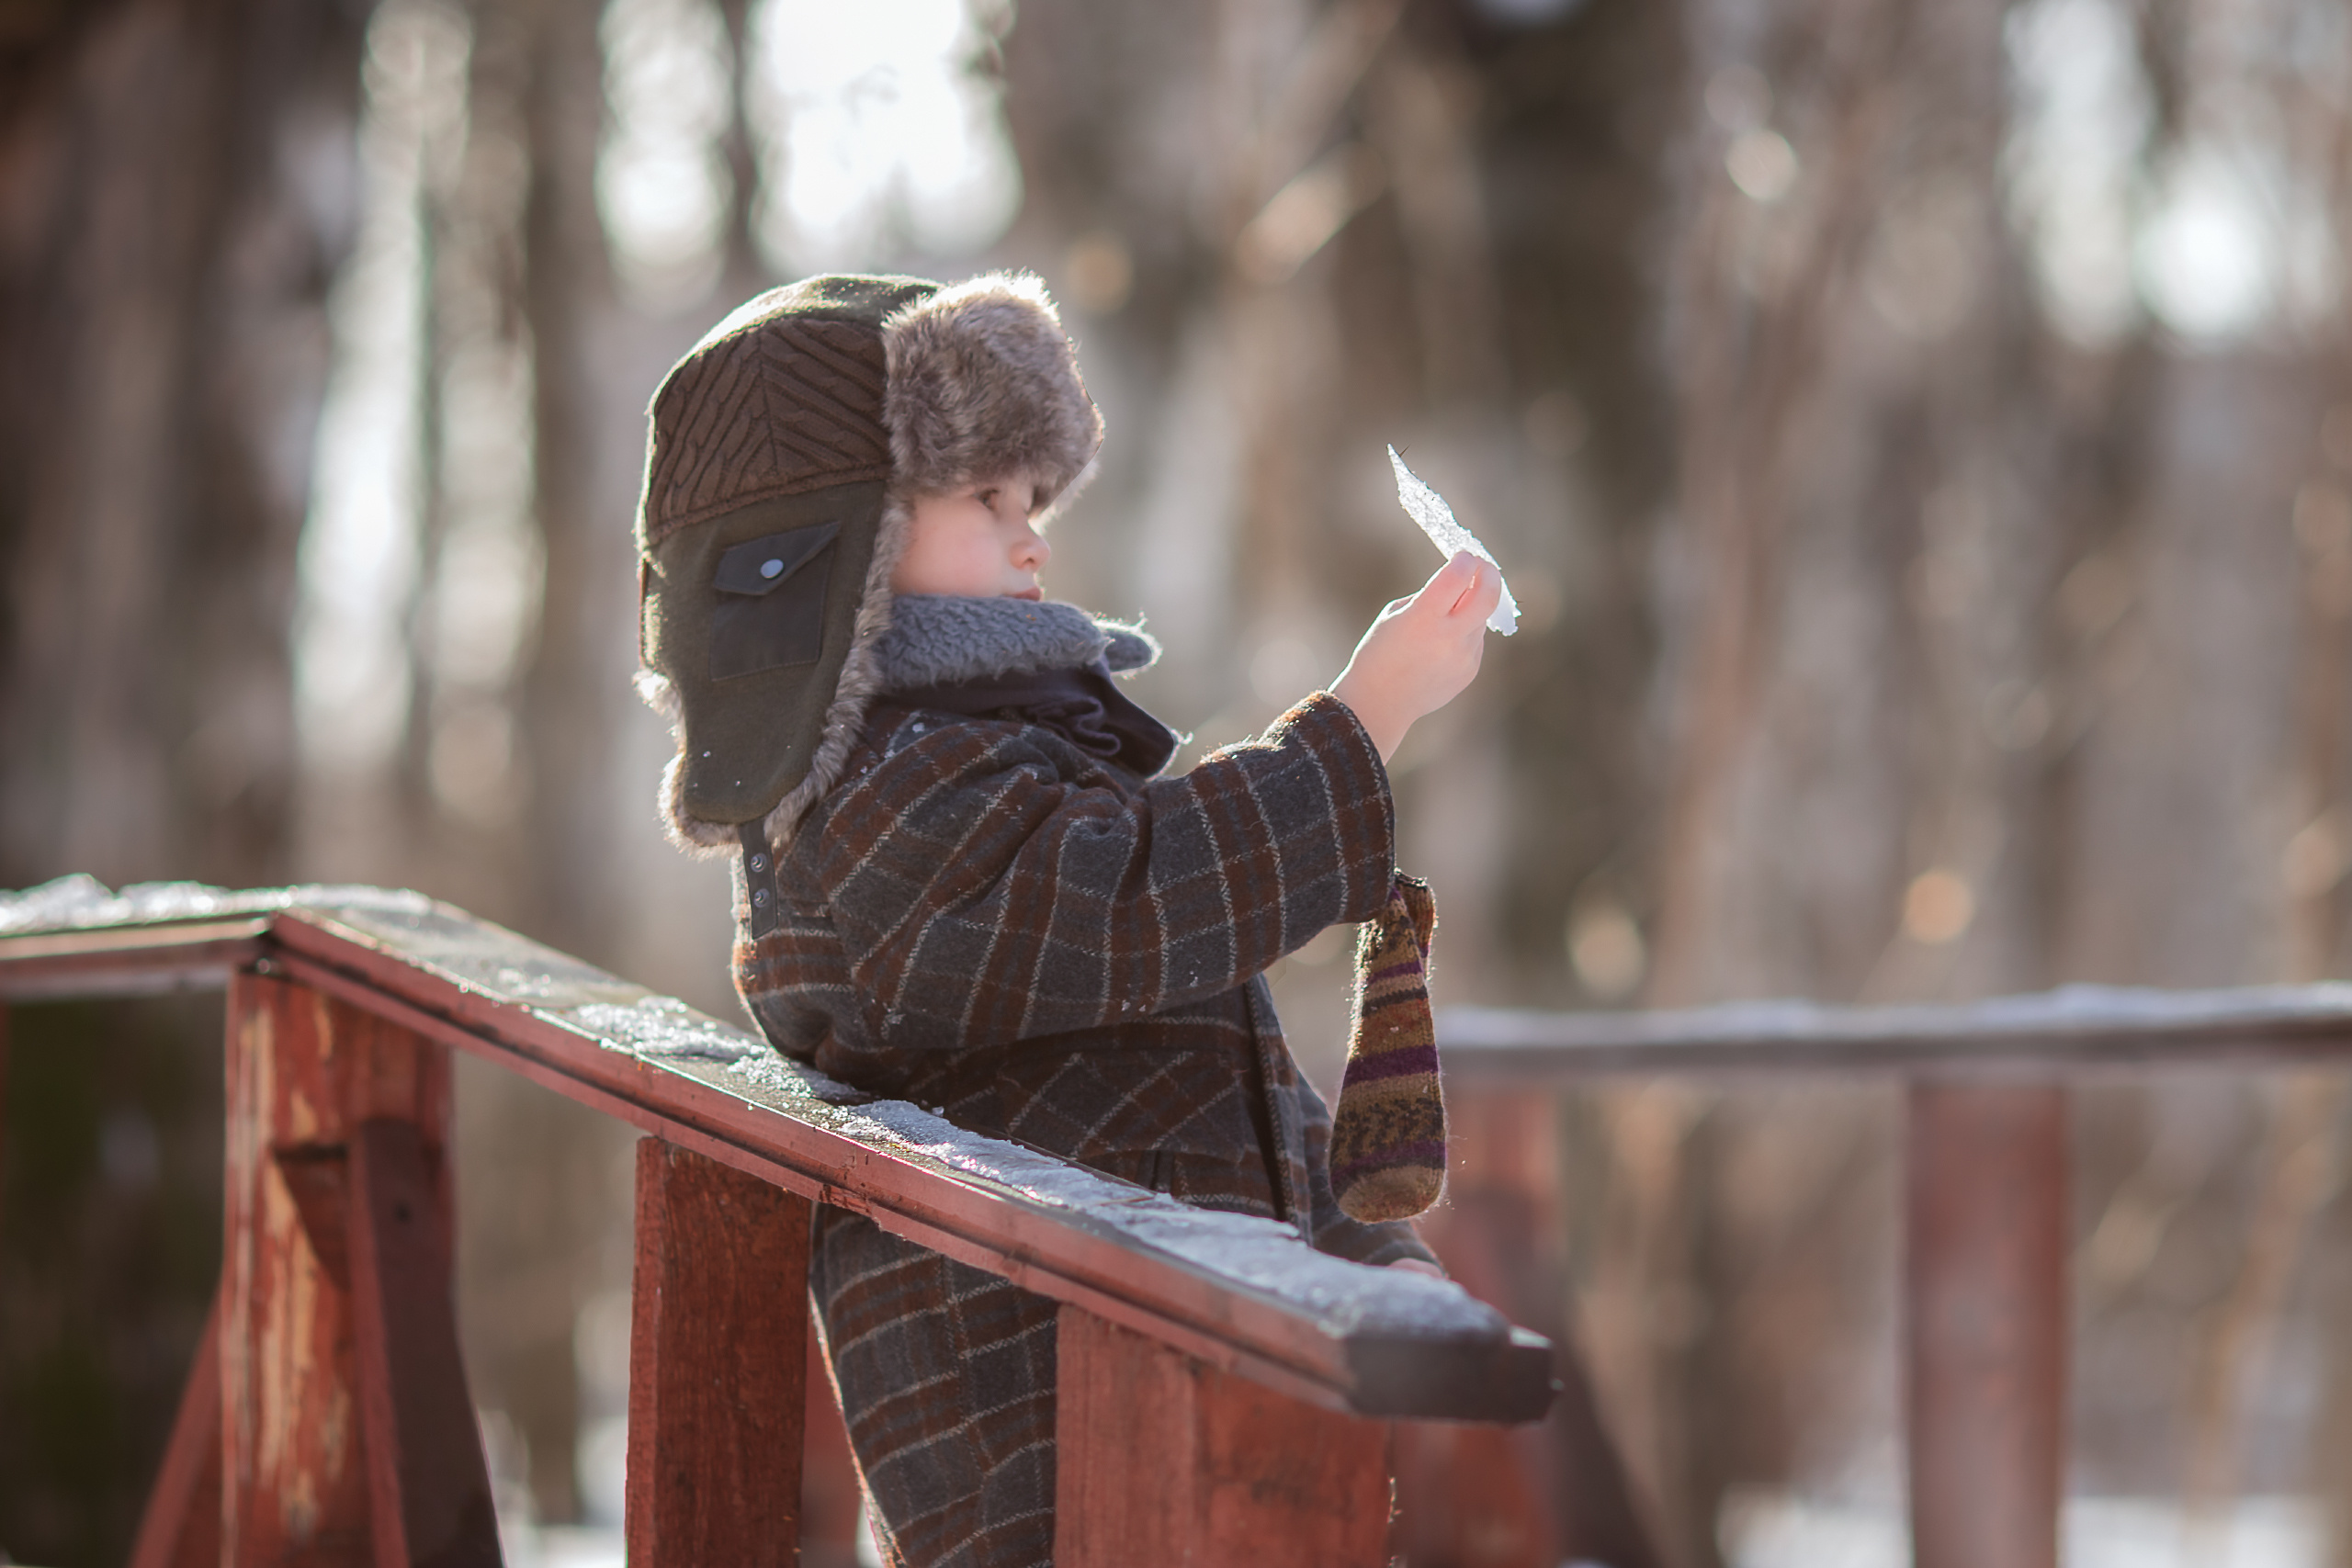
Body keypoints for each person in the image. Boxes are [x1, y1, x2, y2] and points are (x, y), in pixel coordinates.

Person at [631, 270, 1502, 1568]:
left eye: (1034, 500)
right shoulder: (873, 815)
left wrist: (1364, 1248)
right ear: (837, 544)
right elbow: (1131, 907)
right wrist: (1362, 724)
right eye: (985, 498)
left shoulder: (1004, 766)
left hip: (1166, 1414)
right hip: (1047, 1452)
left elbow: (1210, 1071)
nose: (1032, 536)